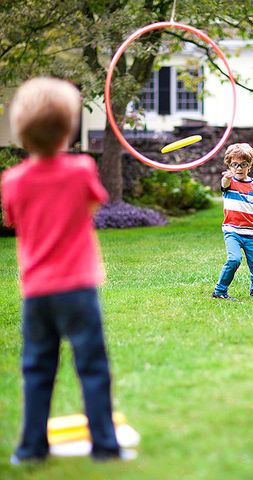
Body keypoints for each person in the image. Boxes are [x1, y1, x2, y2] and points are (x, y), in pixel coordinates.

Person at [1, 77, 121, 463]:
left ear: (20, 130)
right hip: (78, 288)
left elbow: (16, 220)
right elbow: (91, 207)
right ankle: (104, 445)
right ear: (69, 129)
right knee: (92, 366)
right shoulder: (81, 169)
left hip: (37, 291)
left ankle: (31, 449)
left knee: (37, 367)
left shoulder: (12, 180)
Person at [212, 143, 253, 300]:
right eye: (235, 164)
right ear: (230, 166)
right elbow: (223, 185)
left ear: (249, 166)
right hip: (232, 231)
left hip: (251, 233)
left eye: (243, 164)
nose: (239, 168)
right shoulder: (229, 182)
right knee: (234, 259)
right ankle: (219, 291)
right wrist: (226, 178)